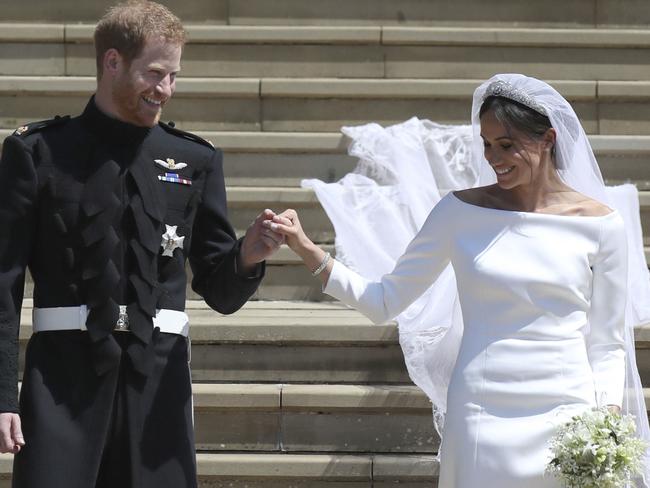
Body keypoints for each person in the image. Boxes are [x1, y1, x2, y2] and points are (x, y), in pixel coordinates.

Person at [267, 74, 649, 487]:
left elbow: (608, 343)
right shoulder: (458, 212)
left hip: (567, 413)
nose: (492, 157)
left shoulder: (603, 225)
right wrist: (309, 251)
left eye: (506, 145)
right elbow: (384, 300)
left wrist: (606, 420)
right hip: (481, 413)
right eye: (486, 144)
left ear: (548, 139)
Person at [0, 1, 285, 487]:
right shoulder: (38, 152)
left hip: (159, 384)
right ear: (113, 62)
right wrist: (3, 395)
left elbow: (219, 289)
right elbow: (3, 282)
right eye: (155, 74)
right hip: (62, 380)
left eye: (173, 76)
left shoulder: (194, 159)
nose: (166, 90)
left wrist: (248, 255)